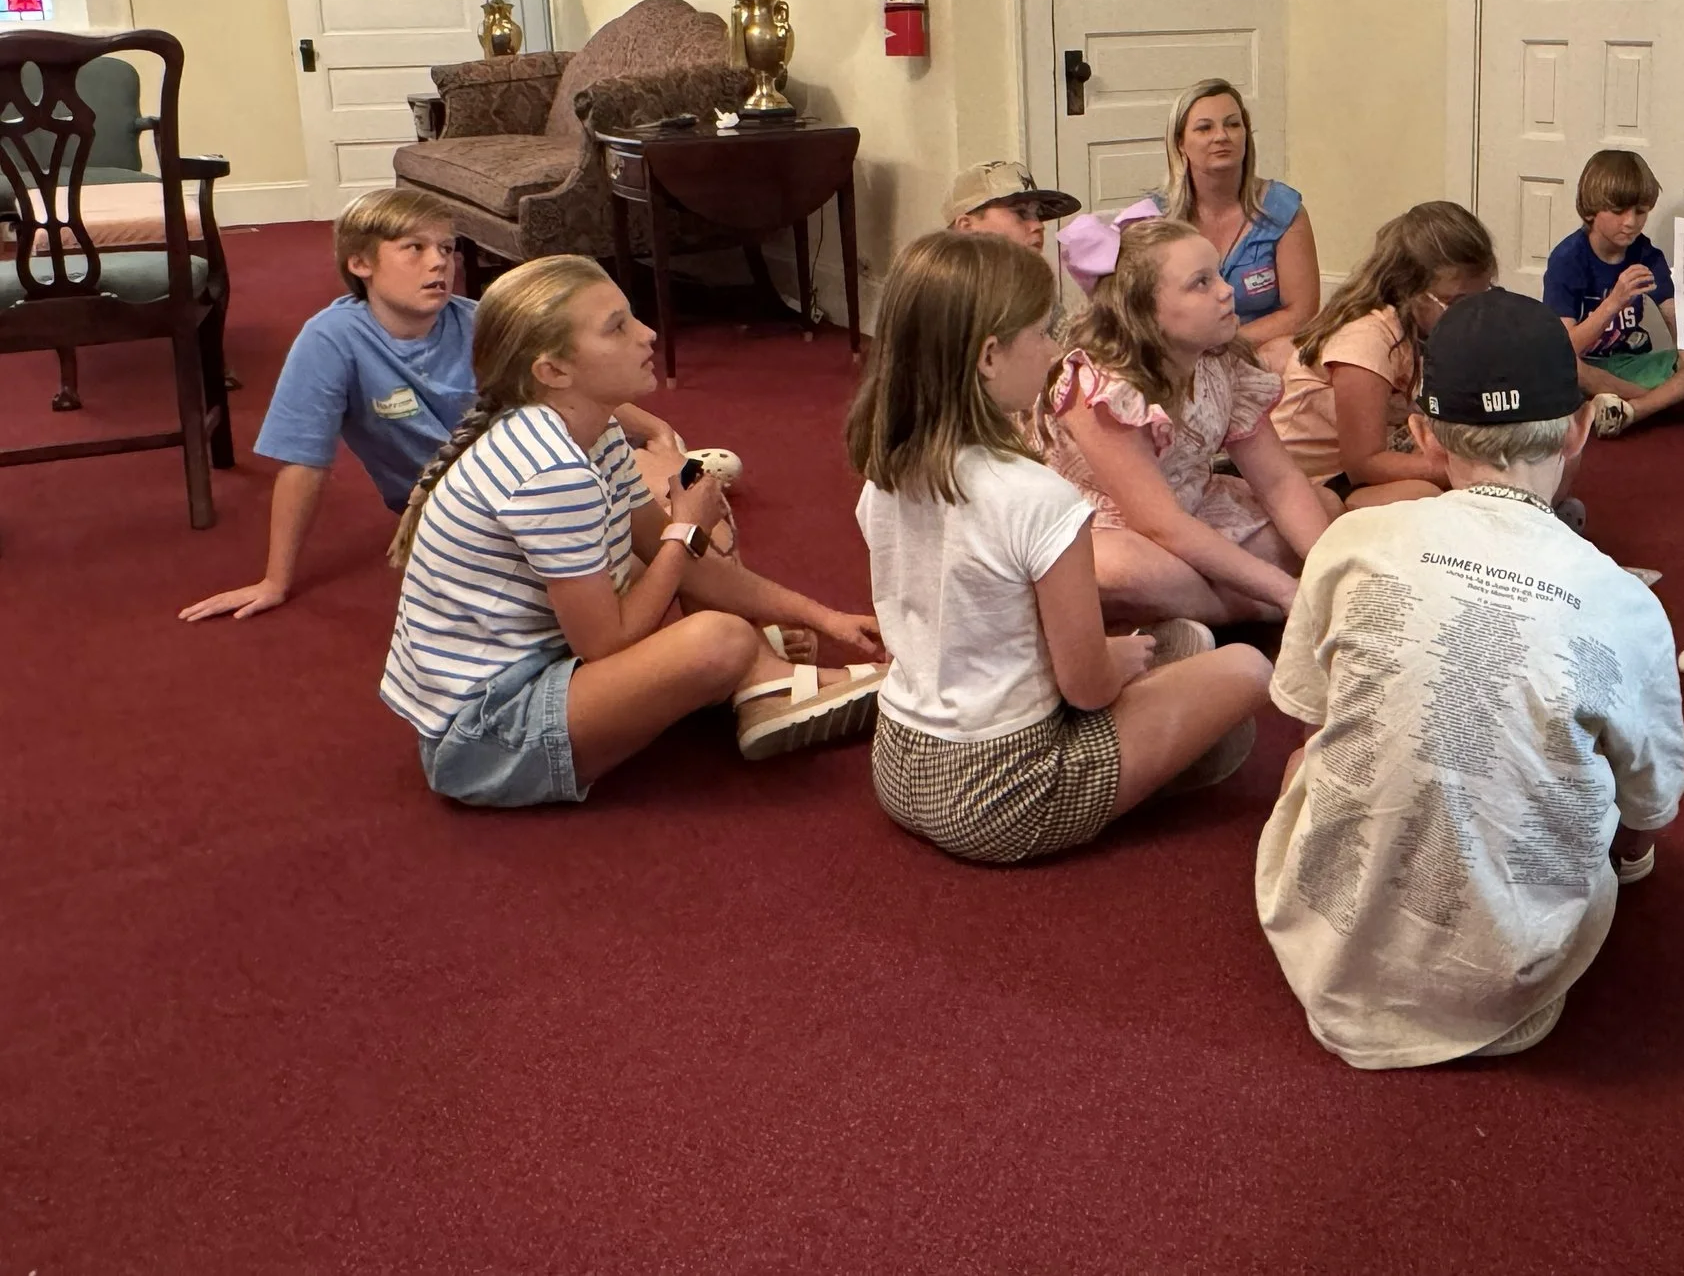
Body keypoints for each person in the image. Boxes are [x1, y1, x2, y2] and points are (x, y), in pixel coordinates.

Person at [1256, 286, 1684, 1068]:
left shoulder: (1353, 539)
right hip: (1509, 987)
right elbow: (1649, 808)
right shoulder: (1620, 600)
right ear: (1580, 427)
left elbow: (1313, 717)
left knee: (1305, 762)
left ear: (1422, 432)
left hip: (1329, 960)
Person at [382, 256, 883, 807]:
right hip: (485, 739)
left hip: (536, 673)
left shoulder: (594, 431)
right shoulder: (552, 472)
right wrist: (686, 531)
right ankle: (755, 672)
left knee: (701, 530)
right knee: (720, 633)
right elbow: (607, 644)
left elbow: (677, 552)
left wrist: (821, 616)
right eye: (616, 327)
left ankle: (763, 680)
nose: (647, 335)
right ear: (552, 371)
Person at [849, 232, 1274, 865]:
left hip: (900, 763)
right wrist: (1115, 661)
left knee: (1185, 638)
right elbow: (1088, 689)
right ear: (989, 357)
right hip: (1005, 792)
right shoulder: (1038, 498)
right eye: (1041, 334)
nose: (1054, 350)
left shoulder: (883, 479)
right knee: (1246, 670)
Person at [180, 189, 723, 624]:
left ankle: (746, 654)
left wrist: (656, 429)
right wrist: (276, 580)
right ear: (360, 263)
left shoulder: (478, 318)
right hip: (467, 516)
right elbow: (303, 463)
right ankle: (731, 647)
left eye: (445, 248)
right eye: (413, 248)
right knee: (687, 521)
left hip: (545, 477)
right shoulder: (331, 340)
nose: (438, 262)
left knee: (698, 506)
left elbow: (572, 381)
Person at [1044, 218, 1337, 624]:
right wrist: (1283, 588)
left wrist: (1329, 576)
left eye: (1218, 274)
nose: (1227, 290)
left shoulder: (1221, 361)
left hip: (1193, 509)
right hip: (1119, 530)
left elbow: (1278, 480)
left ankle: (1196, 613)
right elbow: (1158, 524)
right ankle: (1256, 609)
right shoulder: (1099, 385)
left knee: (1323, 507)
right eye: (1201, 283)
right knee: (1117, 568)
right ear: (1143, 309)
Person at [1061, 80, 1318, 370]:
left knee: (1286, 354)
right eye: (1204, 128)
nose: (1221, 136)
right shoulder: (1152, 218)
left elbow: (1301, 312)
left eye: (1233, 125)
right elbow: (1134, 312)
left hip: (1256, 352)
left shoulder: (1283, 210)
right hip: (1180, 358)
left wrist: (1224, 345)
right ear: (1180, 143)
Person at [1267, 200, 1497, 506]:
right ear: (1409, 291)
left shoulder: (1426, 328)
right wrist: (1462, 472)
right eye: (1457, 302)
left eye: (1483, 298)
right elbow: (1365, 464)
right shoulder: (1365, 342)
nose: (1473, 315)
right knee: (1426, 495)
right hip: (1316, 482)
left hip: (1371, 460)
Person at [1542, 149, 1684, 436]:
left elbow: (1679, 326)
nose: (1630, 222)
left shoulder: (1647, 255)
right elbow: (1564, 348)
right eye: (1618, 211)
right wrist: (1613, 302)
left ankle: (1632, 411)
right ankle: (1655, 404)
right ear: (1591, 209)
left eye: (1640, 211)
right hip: (1583, 366)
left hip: (1628, 362)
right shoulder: (1568, 259)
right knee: (1560, 364)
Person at [944, 159, 1080, 256]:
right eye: (1021, 213)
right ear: (967, 227)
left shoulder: (1029, 290)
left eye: (1038, 214)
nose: (1039, 225)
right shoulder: (939, 293)